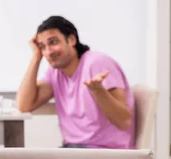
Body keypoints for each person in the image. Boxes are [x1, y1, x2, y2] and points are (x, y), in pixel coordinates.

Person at [16, 16, 135, 149]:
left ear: (71, 40)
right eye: (43, 47)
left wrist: (98, 91)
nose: (48, 52)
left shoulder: (97, 63)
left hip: (105, 152)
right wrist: (36, 57)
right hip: (73, 151)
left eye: (53, 42)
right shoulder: (55, 72)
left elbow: (124, 122)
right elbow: (24, 105)